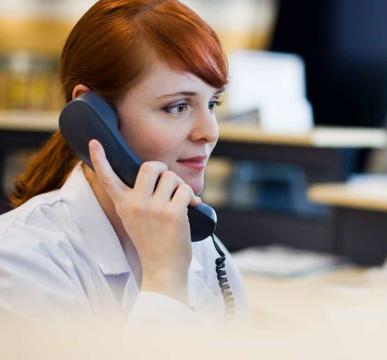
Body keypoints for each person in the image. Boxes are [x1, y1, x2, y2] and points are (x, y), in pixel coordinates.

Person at [0, 0, 247, 328]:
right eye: (177, 107)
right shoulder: (19, 263)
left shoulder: (202, 248)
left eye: (213, 102)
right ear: (92, 118)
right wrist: (164, 280)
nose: (209, 132)